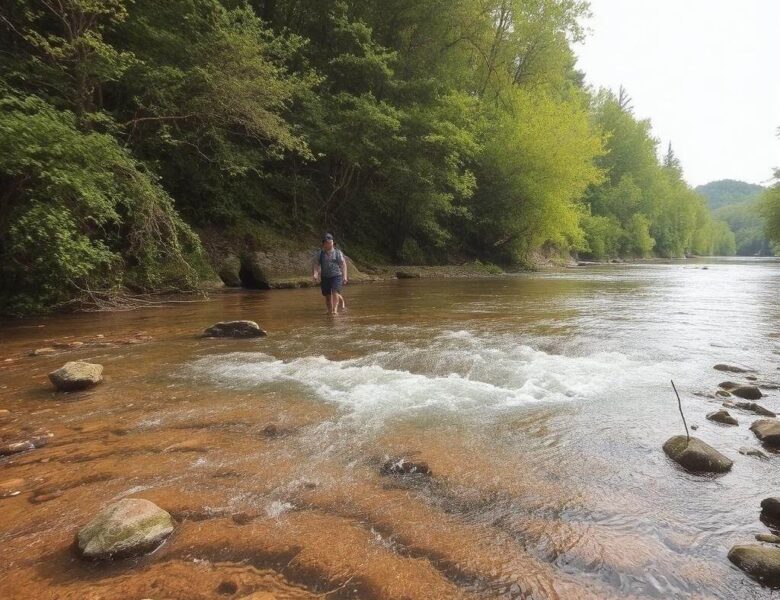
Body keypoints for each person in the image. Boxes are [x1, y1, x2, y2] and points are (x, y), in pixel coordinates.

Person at [312, 233, 348, 315]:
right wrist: (315, 273)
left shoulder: (338, 253)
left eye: (330, 242)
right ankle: (329, 311)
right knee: (328, 296)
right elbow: (316, 264)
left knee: (335, 292)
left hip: (336, 275)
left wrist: (345, 276)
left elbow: (343, 264)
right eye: (327, 243)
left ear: (332, 243)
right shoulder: (320, 254)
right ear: (324, 244)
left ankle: (335, 311)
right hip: (325, 277)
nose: (329, 244)